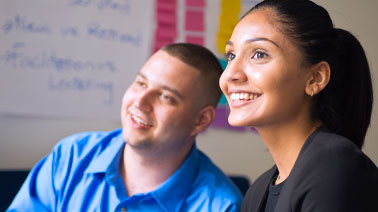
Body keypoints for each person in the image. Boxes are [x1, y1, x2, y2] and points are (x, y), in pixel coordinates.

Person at [7, 43, 243, 211]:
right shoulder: (70, 157)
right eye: (141, 83)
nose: (140, 102)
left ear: (200, 120)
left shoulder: (221, 205)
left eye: (165, 97)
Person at [219, 0, 378, 211]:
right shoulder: (258, 191)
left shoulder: (335, 168)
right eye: (231, 56)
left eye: (259, 54)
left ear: (315, 78)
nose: (230, 74)